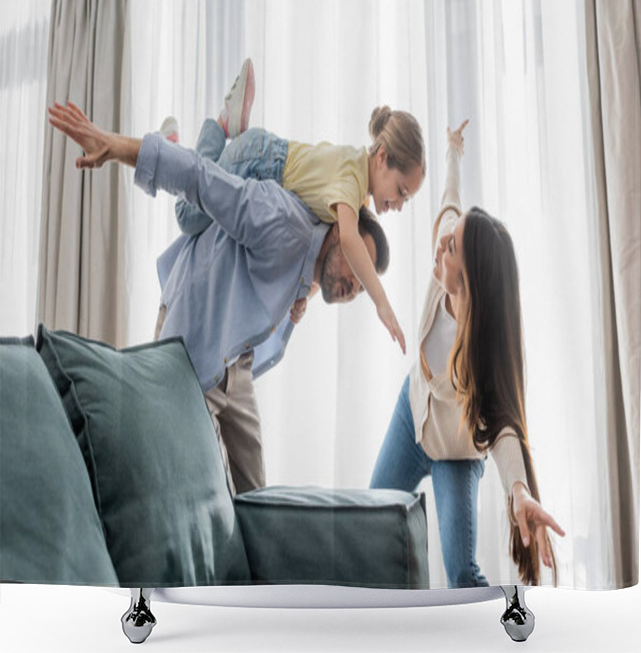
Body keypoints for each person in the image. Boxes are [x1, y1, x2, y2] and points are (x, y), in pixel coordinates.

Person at [47, 100, 390, 496]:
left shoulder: (307, 274)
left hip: (233, 362)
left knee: (255, 494)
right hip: (193, 341)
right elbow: (200, 178)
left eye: (363, 287)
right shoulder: (283, 222)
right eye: (357, 268)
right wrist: (114, 146)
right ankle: (213, 127)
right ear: (336, 233)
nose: (354, 287)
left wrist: (301, 302)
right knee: (195, 484)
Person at [370, 121, 565, 587]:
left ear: (471, 280)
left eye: (452, 246)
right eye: (449, 235)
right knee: (369, 523)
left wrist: (518, 490)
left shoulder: (481, 353)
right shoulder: (445, 261)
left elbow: (502, 427)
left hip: (456, 453)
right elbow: (449, 201)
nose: (442, 242)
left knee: (461, 571)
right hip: (411, 414)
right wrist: (453, 152)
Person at [164, 59, 425, 354]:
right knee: (189, 217)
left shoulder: (356, 197)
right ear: (381, 157)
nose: (399, 205)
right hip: (258, 160)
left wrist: (304, 297)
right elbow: (350, 241)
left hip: (262, 160)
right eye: (401, 191)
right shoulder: (352, 177)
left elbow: (324, 249)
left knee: (202, 209)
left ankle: (187, 147)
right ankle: (214, 129)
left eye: (407, 199)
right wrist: (382, 303)